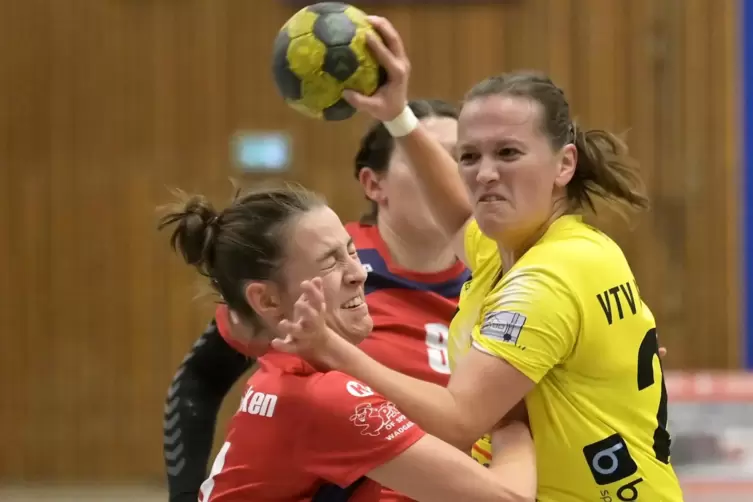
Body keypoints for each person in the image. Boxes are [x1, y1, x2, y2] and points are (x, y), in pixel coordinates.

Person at [271, 15, 684, 502]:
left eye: (508, 153)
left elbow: (460, 417)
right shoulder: (524, 245)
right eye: (469, 157)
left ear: (564, 164)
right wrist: (397, 115)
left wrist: (331, 349)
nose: (484, 174)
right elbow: (455, 215)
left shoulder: (550, 275)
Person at [163, 100, 498, 502]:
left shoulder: (497, 282)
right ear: (375, 184)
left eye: (461, 159)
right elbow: (200, 380)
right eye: (426, 159)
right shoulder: (311, 285)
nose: (453, 177)